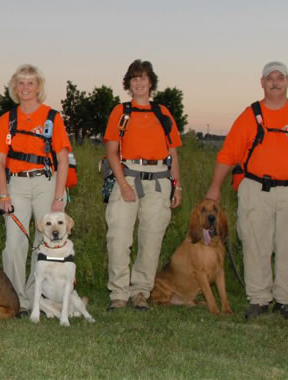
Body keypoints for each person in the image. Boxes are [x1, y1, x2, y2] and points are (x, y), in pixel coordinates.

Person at [205, 61, 288, 320]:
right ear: (262, 82)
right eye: (269, 78)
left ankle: (287, 302)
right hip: (255, 189)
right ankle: (259, 300)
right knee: (255, 243)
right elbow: (229, 153)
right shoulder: (250, 115)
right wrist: (214, 187)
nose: (274, 82)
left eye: (279, 77)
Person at [0, 64, 71, 315]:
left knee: (43, 242)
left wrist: (59, 195)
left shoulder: (52, 117)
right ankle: (18, 300)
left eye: (30, 83)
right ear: (15, 88)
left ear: (39, 87)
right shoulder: (7, 120)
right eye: (21, 83)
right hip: (17, 185)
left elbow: (63, 158)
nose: (25, 87)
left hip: (47, 181)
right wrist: (4, 194)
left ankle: (37, 295)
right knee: (14, 243)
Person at [104, 60, 183, 311]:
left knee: (151, 239)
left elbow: (173, 153)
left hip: (159, 179)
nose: (139, 82)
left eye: (143, 78)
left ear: (151, 83)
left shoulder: (163, 113)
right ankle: (118, 292)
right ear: (129, 83)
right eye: (134, 78)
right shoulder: (121, 112)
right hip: (127, 175)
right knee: (119, 237)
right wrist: (123, 184)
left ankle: (140, 292)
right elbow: (112, 151)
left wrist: (176, 186)